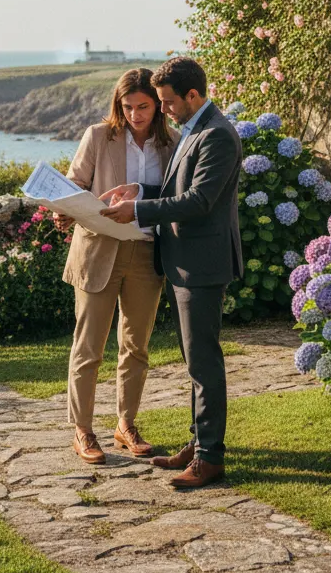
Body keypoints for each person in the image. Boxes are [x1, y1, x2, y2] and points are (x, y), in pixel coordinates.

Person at [101, 56, 242, 488]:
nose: (162, 110)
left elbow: (198, 202)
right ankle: (198, 443)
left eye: (166, 102)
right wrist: (140, 190)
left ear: (193, 96)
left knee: (204, 363)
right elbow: (175, 188)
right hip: (184, 261)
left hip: (201, 264)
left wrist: (138, 210)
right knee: (192, 360)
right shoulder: (195, 129)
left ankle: (210, 458)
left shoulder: (217, 135)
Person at [56, 68, 179, 465]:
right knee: (89, 346)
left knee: (136, 346)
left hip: (146, 253)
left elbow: (175, 196)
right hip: (99, 251)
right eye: (127, 107)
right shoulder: (98, 136)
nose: (135, 114)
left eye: (143, 106)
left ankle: (126, 424)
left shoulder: (171, 142)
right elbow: (75, 184)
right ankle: (83, 430)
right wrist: (65, 211)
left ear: (157, 106)